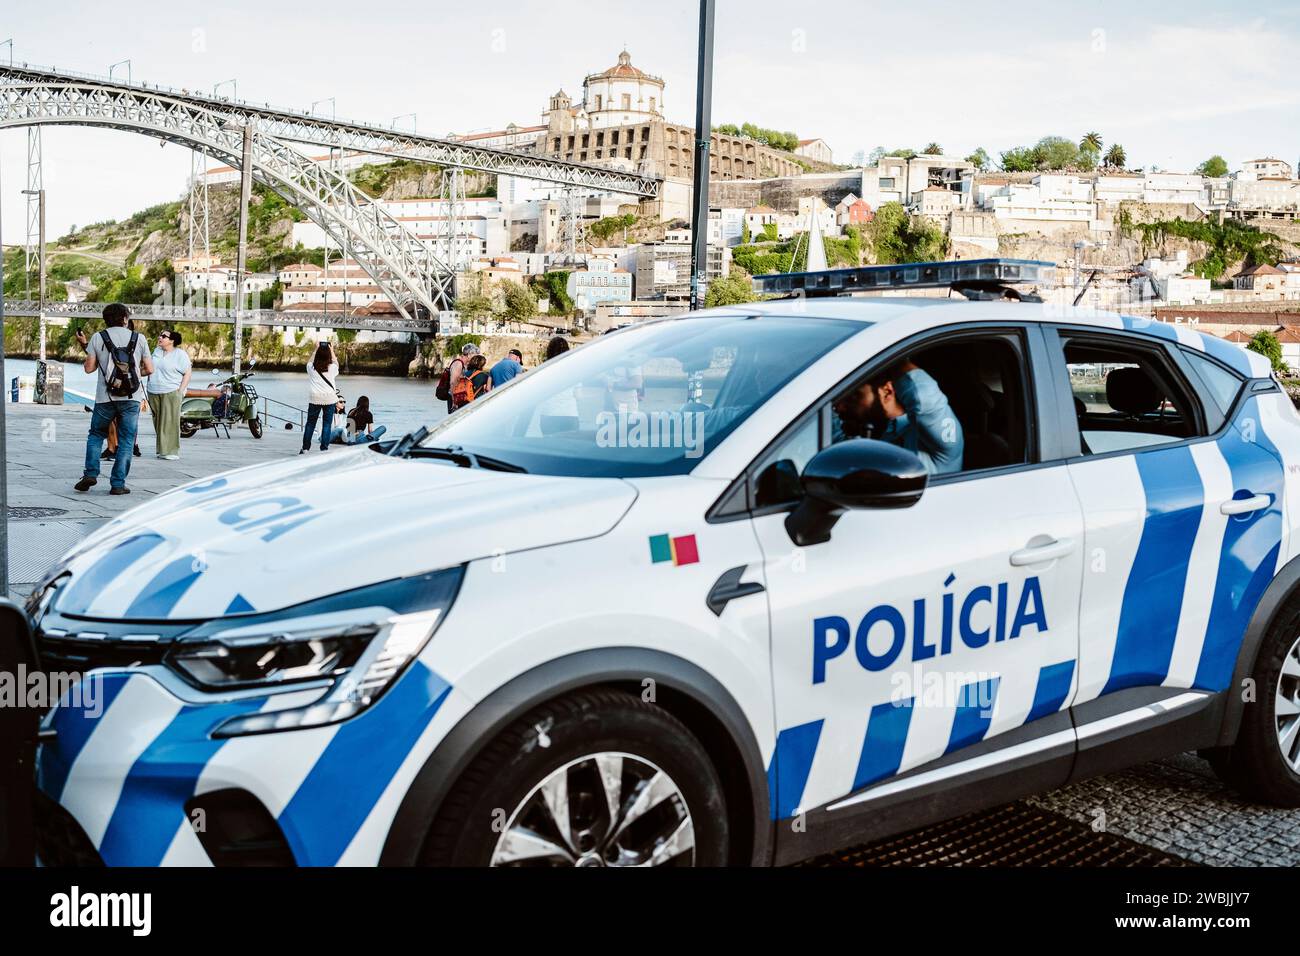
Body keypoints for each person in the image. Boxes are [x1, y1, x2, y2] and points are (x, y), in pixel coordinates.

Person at [74, 303, 155, 495]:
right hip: (132, 397)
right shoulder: (139, 338)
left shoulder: (97, 337)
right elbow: (150, 369)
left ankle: (91, 473)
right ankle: (118, 484)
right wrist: (131, 376)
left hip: (105, 398)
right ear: (125, 318)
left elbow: (89, 368)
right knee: (126, 440)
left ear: (106, 319)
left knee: (96, 435)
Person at [833, 359, 964, 475]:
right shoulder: (860, 433)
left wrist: (885, 353)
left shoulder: (931, 438)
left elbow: (924, 396)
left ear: (887, 392)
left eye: (854, 396)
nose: (840, 407)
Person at [146, 330, 192, 460]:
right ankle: (162, 450)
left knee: (170, 422)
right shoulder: (156, 352)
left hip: (171, 391)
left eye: (164, 336)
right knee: (158, 422)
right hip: (154, 391)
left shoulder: (180, 354)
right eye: (160, 335)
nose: (160, 337)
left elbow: (187, 373)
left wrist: (180, 391)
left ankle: (171, 451)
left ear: (171, 340)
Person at [303, 341, 340, 454]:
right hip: (329, 399)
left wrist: (315, 349)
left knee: (310, 424)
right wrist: (332, 350)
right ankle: (324, 449)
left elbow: (309, 361)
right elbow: (336, 363)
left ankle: (305, 449)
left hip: (315, 398)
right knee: (327, 424)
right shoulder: (332, 368)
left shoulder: (311, 368)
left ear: (317, 354)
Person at [443, 343, 480, 414]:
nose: (475, 359)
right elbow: (453, 383)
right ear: (469, 355)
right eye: (474, 356)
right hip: (455, 399)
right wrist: (454, 402)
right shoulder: (458, 364)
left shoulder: (462, 365)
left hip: (458, 398)